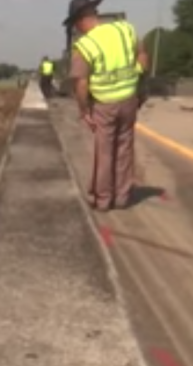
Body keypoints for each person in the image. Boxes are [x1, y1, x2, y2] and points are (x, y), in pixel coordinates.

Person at [65, 0, 147, 211]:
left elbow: (81, 83)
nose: (75, 29)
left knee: (104, 152)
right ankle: (122, 196)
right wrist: (139, 85)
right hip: (129, 100)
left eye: (75, 24)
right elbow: (142, 55)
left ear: (81, 20)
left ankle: (103, 199)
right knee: (124, 148)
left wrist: (84, 111)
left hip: (104, 105)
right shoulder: (125, 29)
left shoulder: (85, 46)